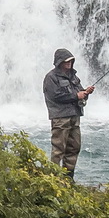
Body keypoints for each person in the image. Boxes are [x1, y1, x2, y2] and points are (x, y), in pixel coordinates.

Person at [43, 48, 94, 180]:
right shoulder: (51, 78)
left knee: (74, 147)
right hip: (60, 118)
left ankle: (68, 178)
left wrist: (85, 93)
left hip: (74, 117)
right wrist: (76, 95)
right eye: (66, 61)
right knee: (58, 150)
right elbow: (56, 96)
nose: (69, 63)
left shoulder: (73, 76)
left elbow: (79, 93)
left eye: (70, 61)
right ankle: (52, 179)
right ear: (59, 62)